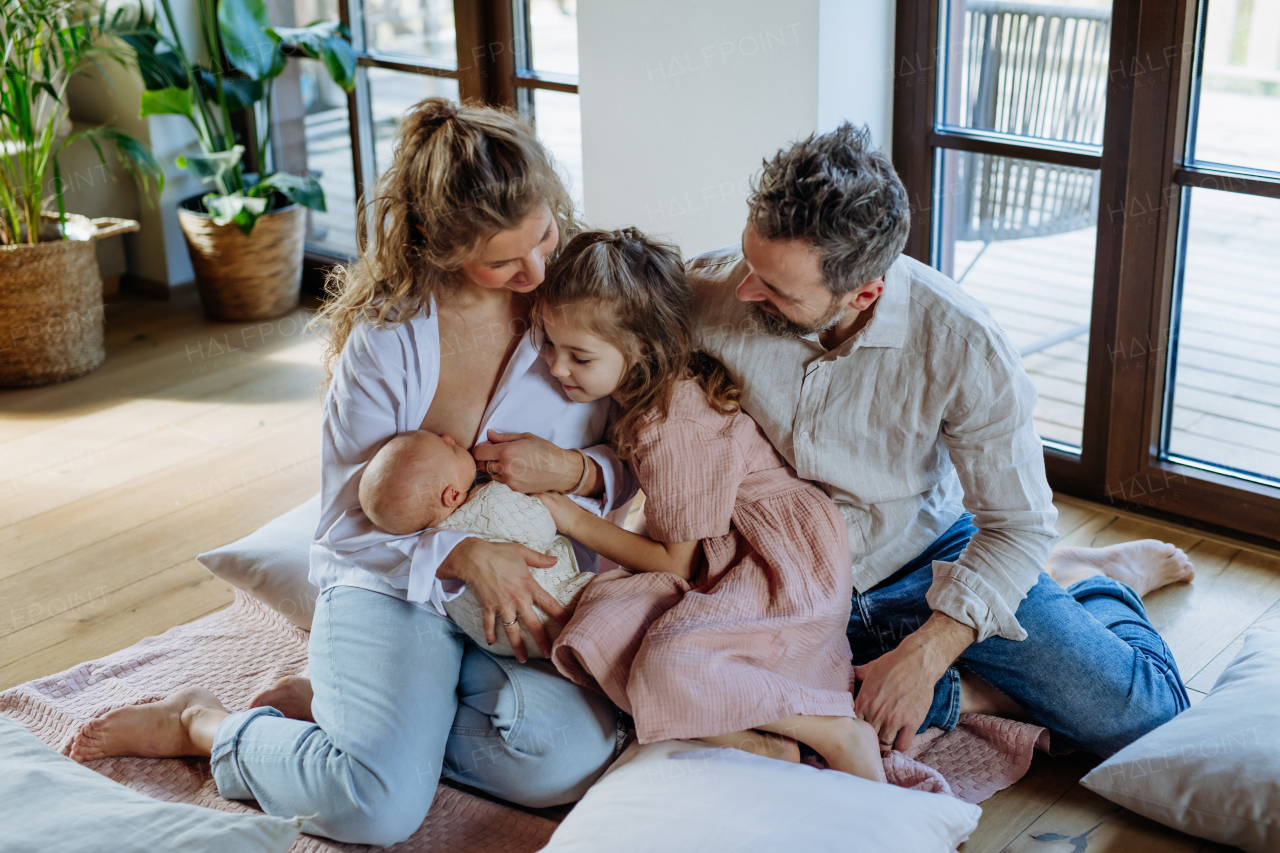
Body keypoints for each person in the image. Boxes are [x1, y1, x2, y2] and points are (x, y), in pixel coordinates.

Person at [66, 98, 636, 847]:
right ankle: (206, 724)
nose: (536, 271)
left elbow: (636, 458)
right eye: (504, 260)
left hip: (522, 603)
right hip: (395, 581)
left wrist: (576, 468)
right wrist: (459, 553)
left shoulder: (580, 304)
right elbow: (346, 523)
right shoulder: (389, 339)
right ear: (436, 239)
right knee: (376, 808)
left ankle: (362, 719)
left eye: (546, 236)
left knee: (565, 762)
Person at [688, 123, 1194, 759]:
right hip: (787, 578)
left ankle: (1092, 581)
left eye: (777, 290)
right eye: (748, 260)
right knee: (701, 693)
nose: (743, 290)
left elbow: (1017, 524)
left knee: (1145, 723)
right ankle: (973, 693)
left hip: (929, 556)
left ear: (864, 292)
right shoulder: (708, 291)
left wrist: (925, 656)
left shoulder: (963, 343)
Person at [532, 228, 885, 783]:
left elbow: (677, 563)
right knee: (600, 625)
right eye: (549, 345)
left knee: (666, 665)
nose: (555, 368)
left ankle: (830, 730)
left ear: (642, 348)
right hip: (725, 554)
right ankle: (767, 747)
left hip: (777, 565)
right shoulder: (643, 396)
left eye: (578, 356)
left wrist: (573, 518)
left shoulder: (668, 423)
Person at [359, 428, 593, 658]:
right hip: (562, 603)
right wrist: (538, 497)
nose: (449, 436)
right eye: (450, 448)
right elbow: (542, 528)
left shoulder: (437, 560)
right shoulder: (488, 501)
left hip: (504, 643)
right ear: (451, 495)